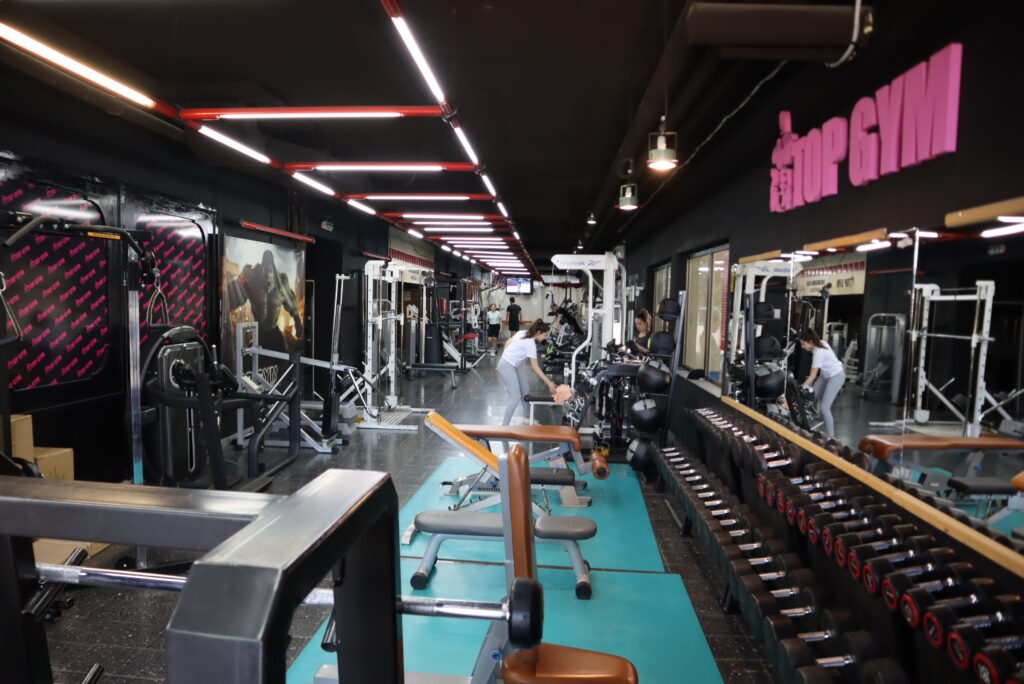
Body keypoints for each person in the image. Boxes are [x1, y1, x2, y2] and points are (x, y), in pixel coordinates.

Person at [497, 320, 558, 425]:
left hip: (511, 365)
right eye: (545, 335)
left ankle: (526, 417)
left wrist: (504, 358)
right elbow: (535, 367)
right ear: (538, 332)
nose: (545, 338)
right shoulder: (530, 344)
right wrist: (549, 383)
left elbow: (508, 342)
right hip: (507, 366)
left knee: (525, 389)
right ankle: (504, 426)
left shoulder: (523, 332)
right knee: (515, 397)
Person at [799, 328, 846, 439]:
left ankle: (831, 438)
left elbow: (812, 376)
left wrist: (801, 388)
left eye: (803, 344)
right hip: (825, 376)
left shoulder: (818, 353)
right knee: (809, 400)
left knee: (825, 407)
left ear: (810, 342)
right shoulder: (821, 344)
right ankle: (805, 426)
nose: (802, 347)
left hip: (836, 376)